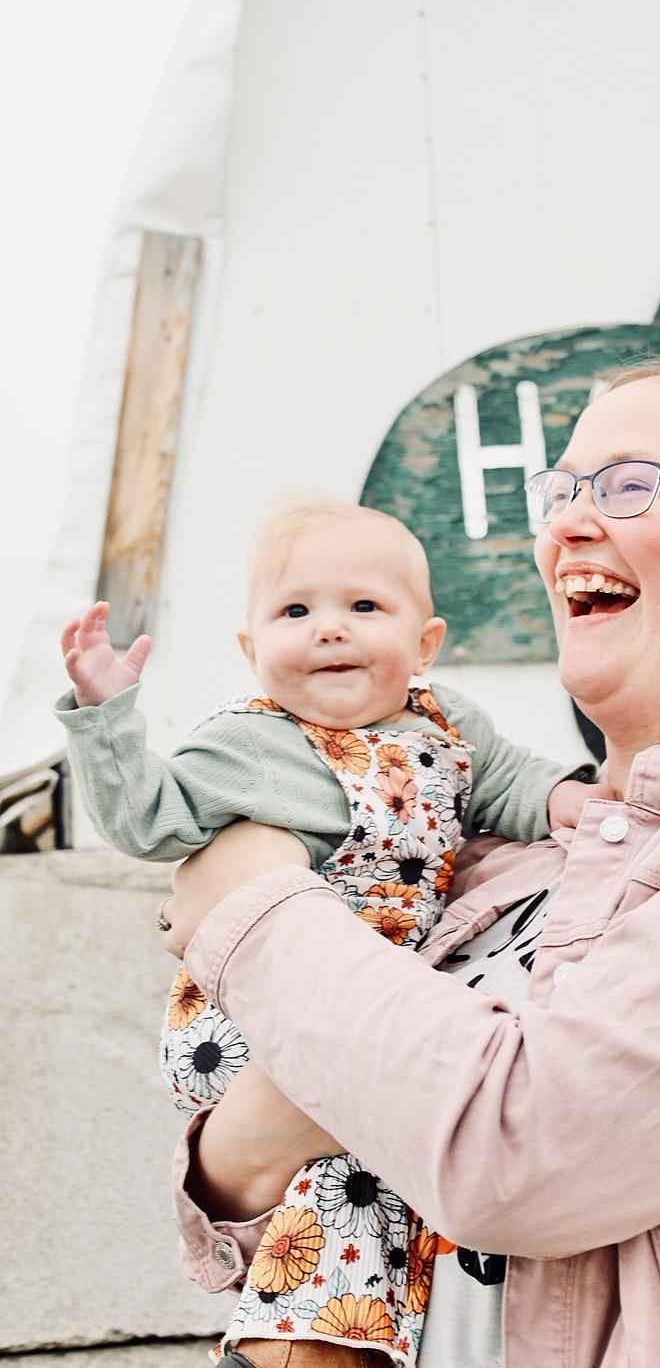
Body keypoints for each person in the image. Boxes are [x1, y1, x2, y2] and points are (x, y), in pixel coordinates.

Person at [161, 361, 660, 1368]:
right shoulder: (494, 861)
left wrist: (253, 905)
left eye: (632, 484)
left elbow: (519, 1155)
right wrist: (252, 1138)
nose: (568, 525)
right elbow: (263, 1195)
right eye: (559, 493)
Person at [55, 497, 598, 1368]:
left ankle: (336, 1341)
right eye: (296, 610)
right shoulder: (247, 743)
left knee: (370, 1180)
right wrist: (107, 717)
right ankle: (296, 1348)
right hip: (253, 1015)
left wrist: (575, 802)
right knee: (346, 1173)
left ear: (425, 643)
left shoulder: (449, 726)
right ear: (252, 649)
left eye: (364, 606)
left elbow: (509, 783)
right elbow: (148, 819)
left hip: (381, 999)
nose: (330, 629)